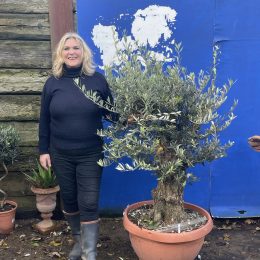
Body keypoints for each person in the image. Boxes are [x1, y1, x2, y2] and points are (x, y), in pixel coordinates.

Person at [39, 32, 115, 260]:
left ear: (84, 53)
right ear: (60, 54)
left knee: (89, 201)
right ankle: (79, 242)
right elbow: (44, 119)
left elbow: (112, 113)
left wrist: (135, 114)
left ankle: (89, 253)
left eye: (76, 48)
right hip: (60, 153)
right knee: (70, 199)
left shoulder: (97, 80)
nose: (71, 52)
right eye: (67, 48)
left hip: (91, 153)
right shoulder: (52, 83)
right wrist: (43, 150)